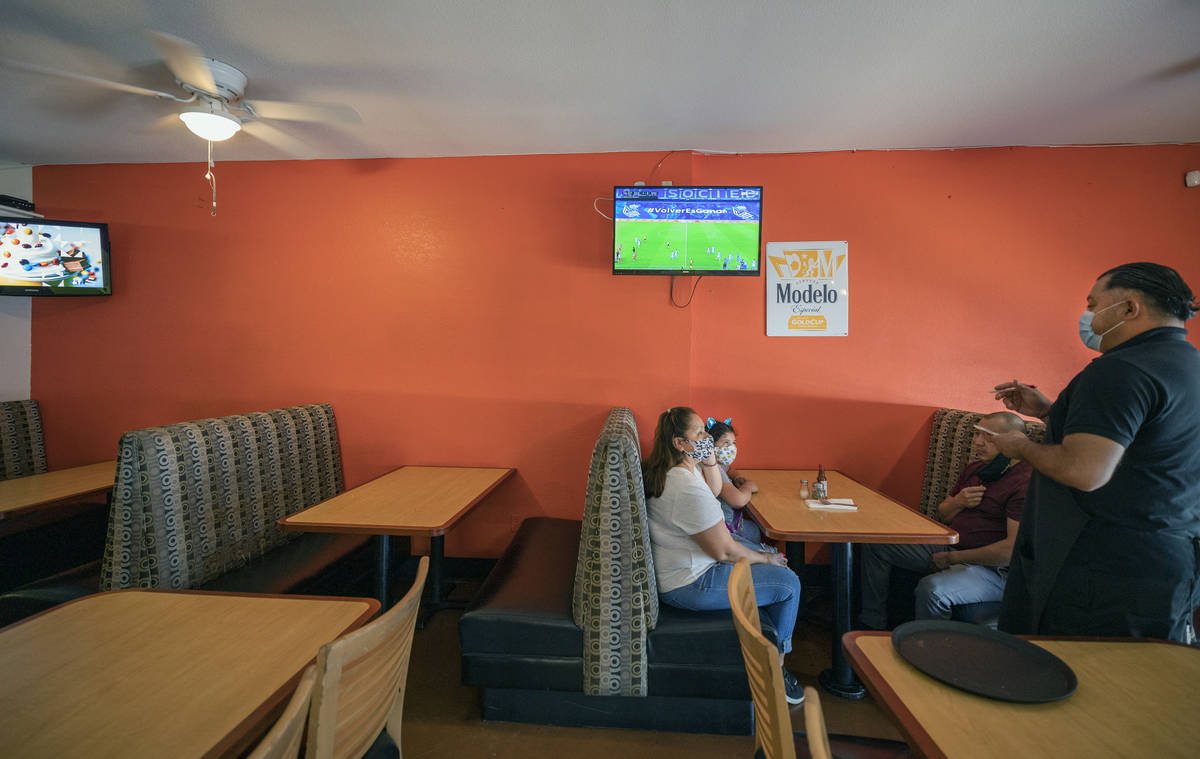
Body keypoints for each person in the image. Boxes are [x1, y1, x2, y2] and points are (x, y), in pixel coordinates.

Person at [991, 262, 1200, 642]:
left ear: (1129, 308)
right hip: (1170, 560)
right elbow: (1146, 442)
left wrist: (1019, 445)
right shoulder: (1189, 366)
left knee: (1071, 682)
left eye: (1094, 304)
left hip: (1104, 568)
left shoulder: (1120, 371)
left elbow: (1084, 470)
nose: (1090, 319)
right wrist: (1051, 411)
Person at [643, 406, 806, 704]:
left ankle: (764, 646)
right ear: (680, 443)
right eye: (700, 433)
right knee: (788, 583)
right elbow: (724, 550)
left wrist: (708, 461)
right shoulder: (684, 488)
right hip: (692, 583)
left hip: (688, 567)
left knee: (768, 551)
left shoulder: (679, 470)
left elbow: (716, 489)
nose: (708, 436)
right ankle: (776, 671)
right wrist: (767, 560)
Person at [858, 412, 1032, 629]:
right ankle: (871, 626)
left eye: (987, 437)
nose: (977, 442)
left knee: (932, 590)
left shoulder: (1025, 483)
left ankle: (928, 654)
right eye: (976, 434)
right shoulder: (977, 469)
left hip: (993, 570)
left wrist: (953, 558)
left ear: (1013, 440)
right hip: (952, 544)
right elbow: (944, 514)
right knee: (876, 544)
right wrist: (959, 502)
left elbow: (1010, 552)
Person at [704, 417, 775, 553]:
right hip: (723, 528)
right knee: (756, 534)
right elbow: (738, 500)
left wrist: (737, 477)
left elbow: (729, 469)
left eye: (733, 443)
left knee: (754, 530)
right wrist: (748, 486)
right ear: (711, 444)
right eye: (726, 443)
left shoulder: (720, 464)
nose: (731, 448)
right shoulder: (714, 470)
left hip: (730, 520)